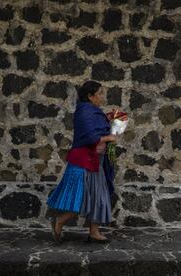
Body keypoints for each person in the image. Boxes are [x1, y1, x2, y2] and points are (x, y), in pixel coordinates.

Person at [47, 80, 120, 244]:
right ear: (90, 96)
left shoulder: (94, 111)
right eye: (99, 94)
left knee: (99, 196)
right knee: (81, 197)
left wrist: (108, 118)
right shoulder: (84, 112)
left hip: (96, 162)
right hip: (84, 162)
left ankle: (94, 232)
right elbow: (88, 135)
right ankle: (60, 221)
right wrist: (108, 137)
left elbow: (96, 127)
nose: (102, 97)